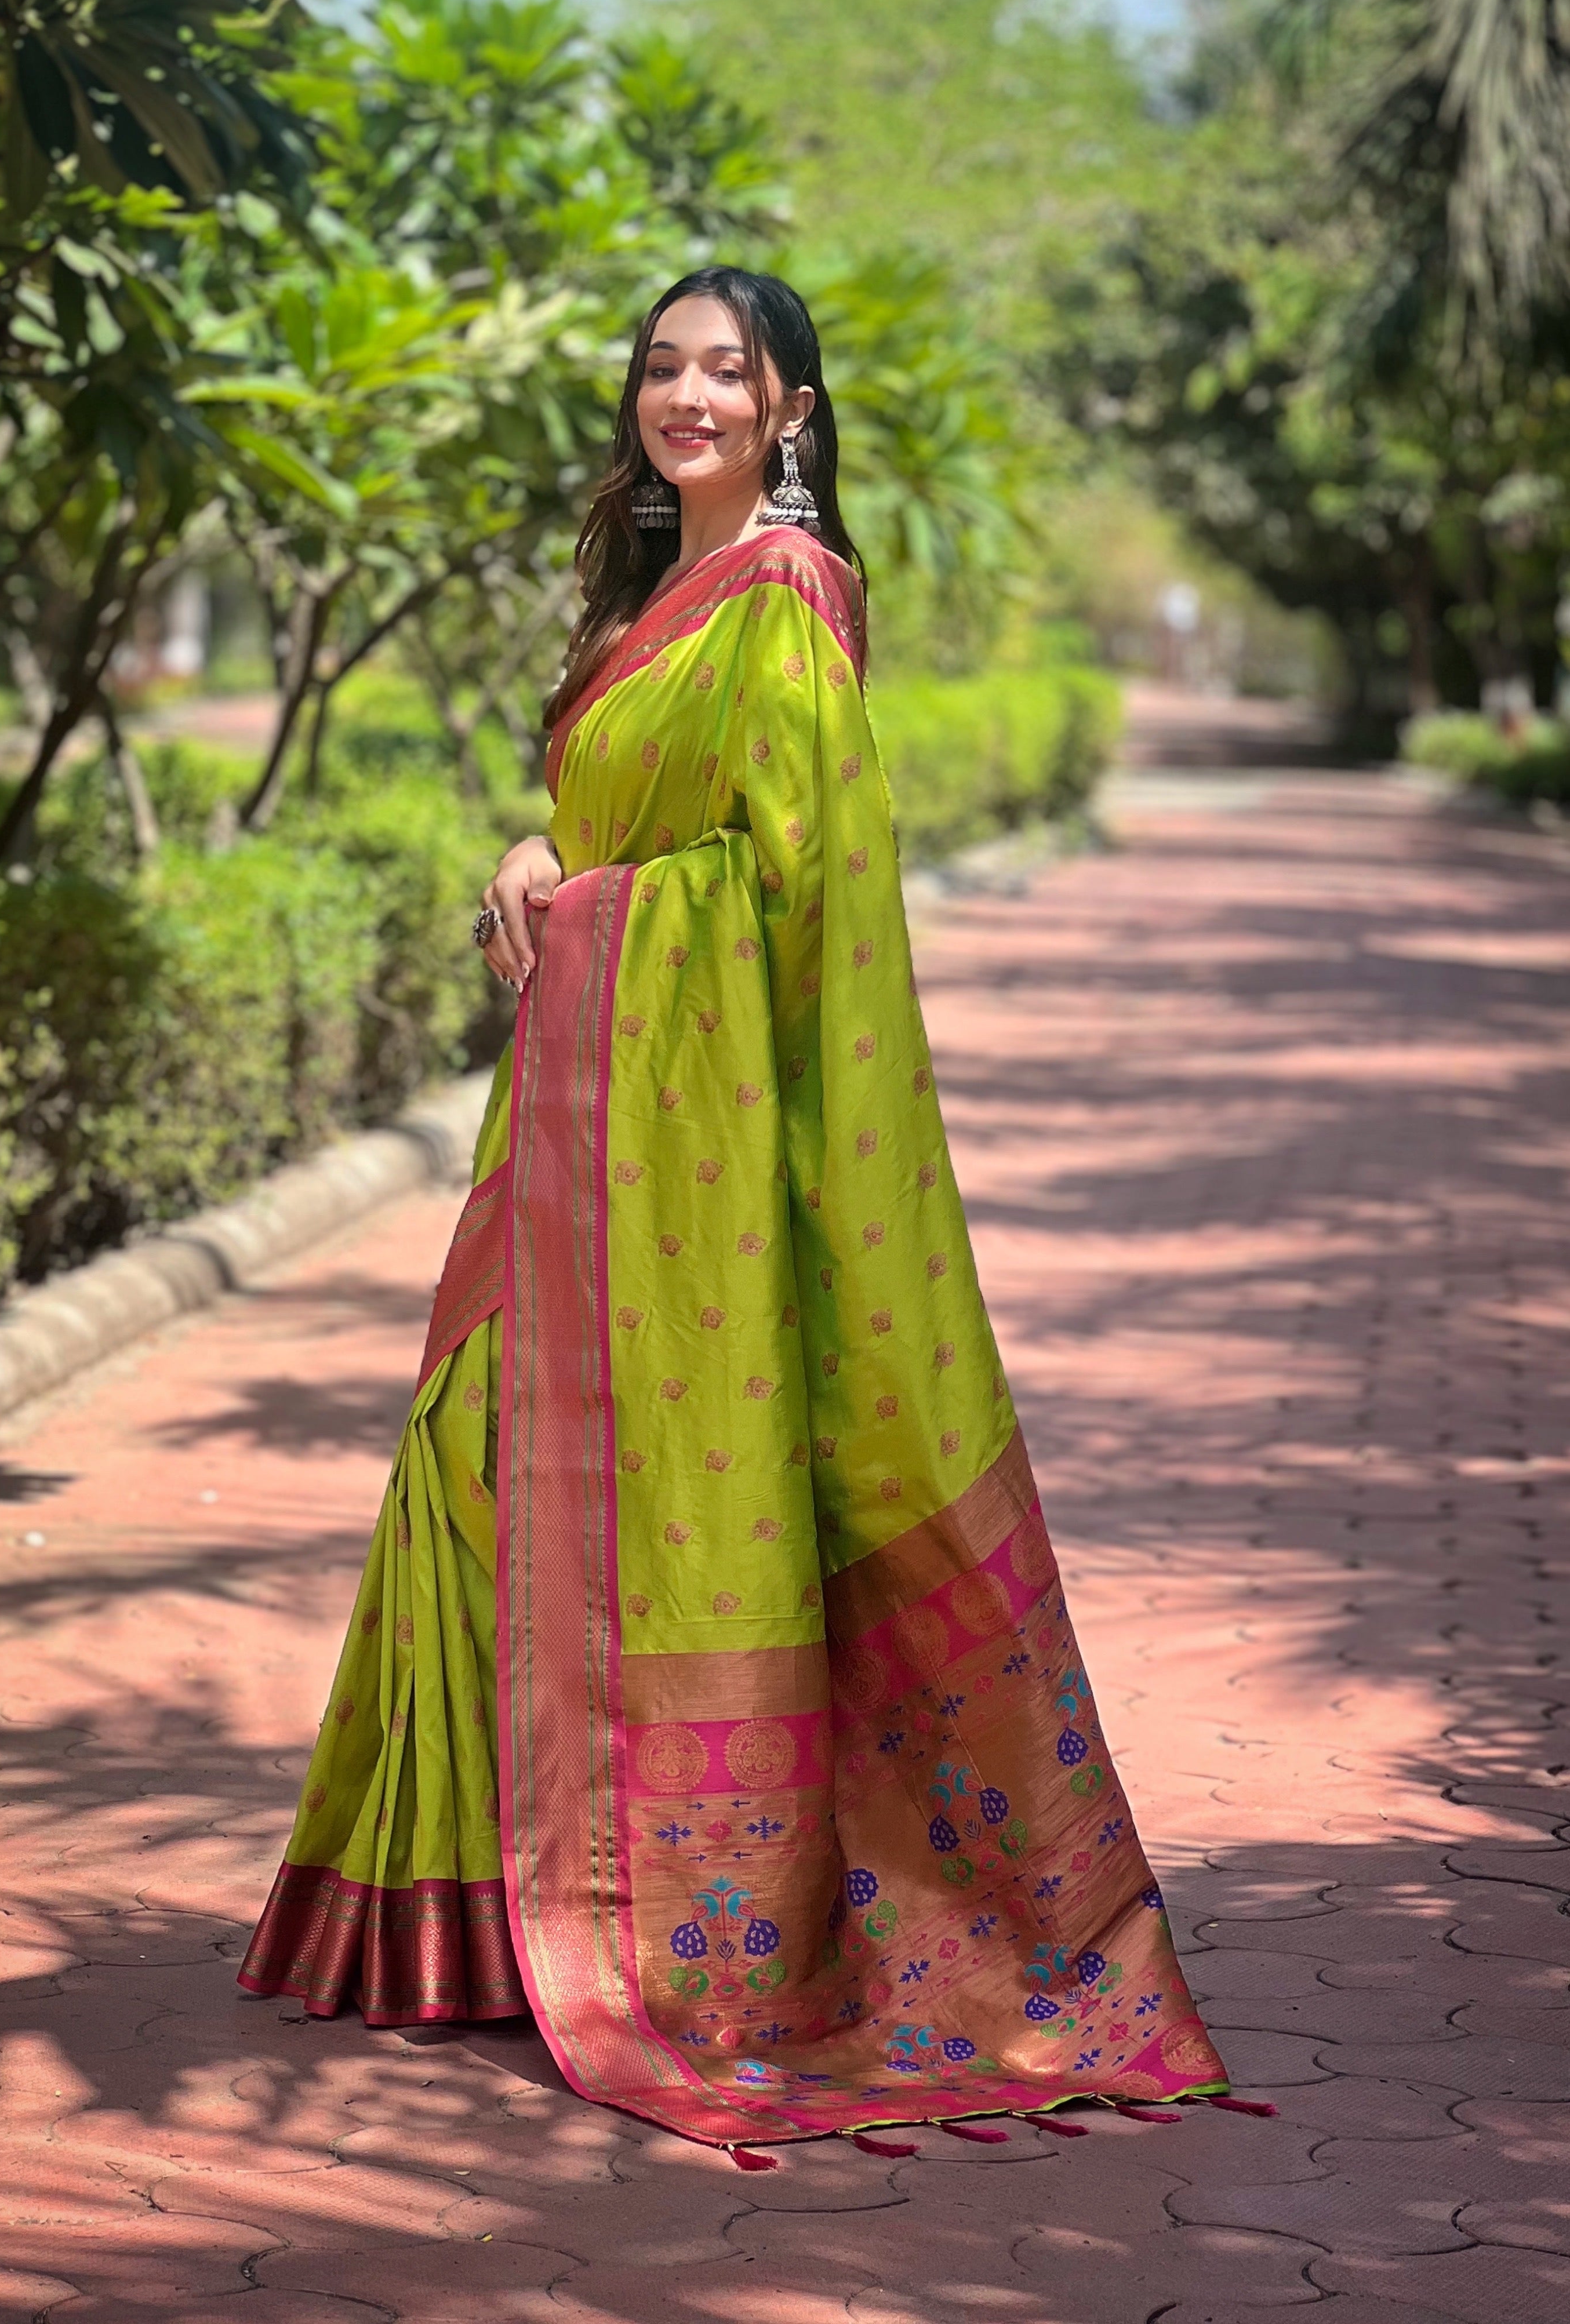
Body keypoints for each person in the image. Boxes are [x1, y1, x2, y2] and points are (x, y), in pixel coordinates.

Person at [239, 267, 1230, 2153]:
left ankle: (660, 1928)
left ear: (790, 409)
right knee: (473, 1459)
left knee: (541, 1473)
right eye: (661, 366)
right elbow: (623, 830)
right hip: (578, 1136)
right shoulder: (647, 600)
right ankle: (460, 1921)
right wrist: (540, 849)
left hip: (693, 1157)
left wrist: (596, 906)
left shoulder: (789, 598)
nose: (685, 394)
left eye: (727, 371)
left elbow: (794, 889)